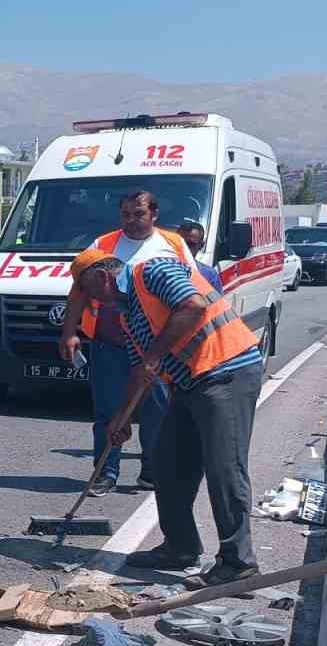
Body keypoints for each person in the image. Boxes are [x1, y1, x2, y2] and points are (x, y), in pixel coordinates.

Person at [71, 246, 265, 587]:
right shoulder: (128, 315)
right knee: (167, 463)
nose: (90, 301)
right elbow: (139, 369)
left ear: (103, 277)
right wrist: (120, 419)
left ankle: (238, 563)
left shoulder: (153, 271)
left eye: (89, 292)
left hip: (227, 372)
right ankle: (180, 547)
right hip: (189, 384)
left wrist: (154, 354)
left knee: (224, 467)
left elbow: (193, 306)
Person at [58, 190, 194, 496]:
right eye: (126, 215)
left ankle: (152, 470)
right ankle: (105, 472)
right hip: (111, 344)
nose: (131, 221)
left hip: (156, 347)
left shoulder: (172, 245)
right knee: (108, 411)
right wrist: (70, 331)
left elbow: (192, 291)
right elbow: (78, 290)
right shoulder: (103, 244)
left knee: (156, 410)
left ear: (154, 215)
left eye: (139, 214)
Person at [176, 221, 223, 291]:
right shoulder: (161, 269)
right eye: (181, 243)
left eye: (190, 245)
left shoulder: (209, 275)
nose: (185, 248)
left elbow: (217, 301)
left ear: (201, 246)